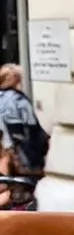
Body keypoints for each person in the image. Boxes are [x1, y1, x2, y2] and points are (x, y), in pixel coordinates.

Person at [0, 64, 48, 211]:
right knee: (23, 188)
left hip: (5, 151)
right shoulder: (18, 100)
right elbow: (30, 127)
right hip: (21, 153)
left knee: (8, 185)